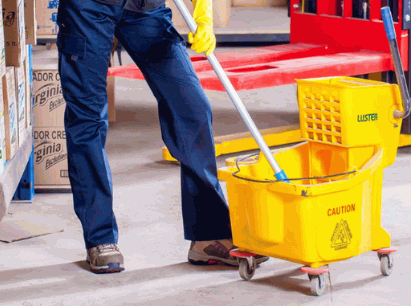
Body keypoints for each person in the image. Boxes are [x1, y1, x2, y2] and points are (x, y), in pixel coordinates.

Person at [57, 0, 269, 273]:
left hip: (144, 7)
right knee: (88, 118)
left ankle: (209, 235)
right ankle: (100, 238)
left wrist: (203, 8)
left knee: (191, 108)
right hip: (88, 8)